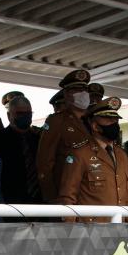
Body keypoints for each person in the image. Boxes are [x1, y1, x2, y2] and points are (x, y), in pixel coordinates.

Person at [57, 97, 128, 222]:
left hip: (120, 228)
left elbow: (126, 196)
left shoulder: (122, 155)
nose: (114, 124)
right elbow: (68, 197)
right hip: (91, 230)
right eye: (108, 120)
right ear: (95, 126)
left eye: (115, 120)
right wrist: (70, 232)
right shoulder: (80, 153)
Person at [36, 69, 92, 203]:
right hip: (68, 195)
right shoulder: (56, 121)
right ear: (66, 94)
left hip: (92, 194)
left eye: (85, 89)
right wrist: (52, 198)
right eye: (77, 90)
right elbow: (45, 163)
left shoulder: (94, 121)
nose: (83, 93)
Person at [0, 95, 42, 205]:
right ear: (8, 115)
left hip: (39, 201)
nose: (25, 117)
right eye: (20, 114)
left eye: (28, 114)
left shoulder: (39, 139)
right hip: (9, 201)